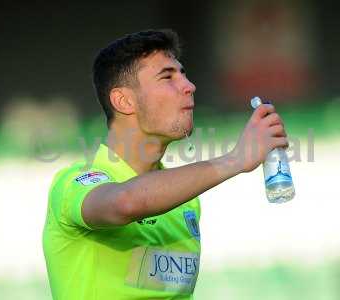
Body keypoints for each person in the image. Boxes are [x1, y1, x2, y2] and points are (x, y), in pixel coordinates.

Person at [42, 29, 288, 300]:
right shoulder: (72, 185)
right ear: (123, 101)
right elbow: (125, 202)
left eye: (183, 74)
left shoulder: (184, 202)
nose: (189, 86)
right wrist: (235, 159)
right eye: (168, 76)